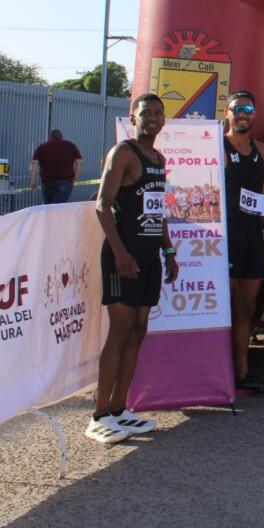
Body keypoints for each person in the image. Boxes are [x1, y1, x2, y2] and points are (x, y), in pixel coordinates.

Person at [88, 94, 178, 444]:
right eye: (146, 113)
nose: (152, 118)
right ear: (133, 117)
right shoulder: (123, 153)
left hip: (150, 255)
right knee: (120, 331)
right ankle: (98, 415)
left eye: (158, 113)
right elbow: (102, 206)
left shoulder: (158, 158)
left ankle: (119, 408)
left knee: (139, 329)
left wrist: (168, 251)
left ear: (164, 120)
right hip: (123, 256)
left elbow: (157, 210)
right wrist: (120, 252)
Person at [223, 91, 264, 395]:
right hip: (225, 239)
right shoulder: (218, 146)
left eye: (248, 108)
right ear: (227, 113)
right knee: (225, 310)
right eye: (237, 108)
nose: (243, 113)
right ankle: (220, 371)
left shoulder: (262, 152)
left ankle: (241, 371)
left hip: (253, 239)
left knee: (246, 310)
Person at [31, 129, 82, 204]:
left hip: (47, 182)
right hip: (65, 181)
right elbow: (79, 161)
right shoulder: (71, 145)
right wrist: (75, 178)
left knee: (48, 207)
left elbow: (34, 163)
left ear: (50, 137)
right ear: (61, 136)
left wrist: (32, 180)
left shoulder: (42, 147)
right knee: (58, 207)